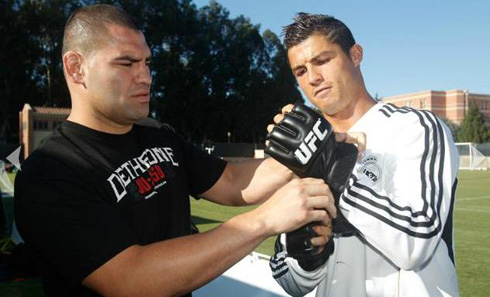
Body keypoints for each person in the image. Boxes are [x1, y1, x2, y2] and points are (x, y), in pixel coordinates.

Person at [14, 5, 337, 297]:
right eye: (126, 63)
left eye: (147, 63)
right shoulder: (49, 173)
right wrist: (264, 221)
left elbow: (232, 182)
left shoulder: (157, 135)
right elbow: (128, 280)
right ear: (76, 68)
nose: (145, 77)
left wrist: (300, 153)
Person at [268, 13, 459, 297]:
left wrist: (334, 166)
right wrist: (309, 255)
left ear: (355, 55)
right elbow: (290, 282)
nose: (313, 78)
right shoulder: (303, 152)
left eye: (322, 61)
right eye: (300, 71)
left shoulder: (415, 127)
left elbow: (415, 243)